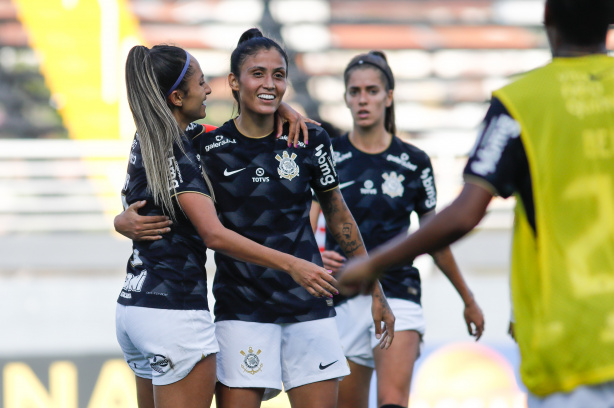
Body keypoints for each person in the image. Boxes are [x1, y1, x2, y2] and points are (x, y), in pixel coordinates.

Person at [337, 1, 614, 407]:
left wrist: (372, 262)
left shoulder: (521, 103)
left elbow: (465, 213)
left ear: (547, 18)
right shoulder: (333, 153)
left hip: (572, 342)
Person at [116, 30, 395, 408]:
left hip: (309, 307)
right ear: (234, 82)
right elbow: (156, 177)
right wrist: (122, 221)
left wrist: (376, 292)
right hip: (241, 310)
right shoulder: (204, 146)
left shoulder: (310, 138)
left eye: (278, 75)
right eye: (258, 74)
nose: (270, 84)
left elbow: (338, 213)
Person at [309, 51, 485, 408]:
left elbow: (436, 239)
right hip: (343, 295)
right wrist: (314, 257)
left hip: (399, 291)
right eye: (354, 91)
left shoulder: (414, 162)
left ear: (389, 97)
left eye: (372, 91)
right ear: (345, 97)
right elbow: (307, 221)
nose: (362, 99)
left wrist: (467, 298)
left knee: (392, 402)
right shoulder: (329, 155)